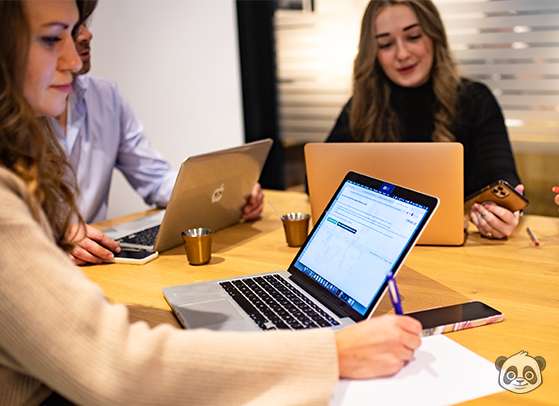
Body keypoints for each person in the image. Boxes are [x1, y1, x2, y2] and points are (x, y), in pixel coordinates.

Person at [0, 0, 423, 404]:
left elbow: (154, 177)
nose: (76, 58)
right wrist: (335, 352)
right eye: (54, 38)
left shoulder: (88, 105)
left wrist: (222, 194)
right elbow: (117, 367)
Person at [51, 16, 264, 265]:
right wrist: (55, 232)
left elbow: (154, 177)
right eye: (70, 28)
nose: (87, 35)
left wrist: (229, 190)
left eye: (84, 23)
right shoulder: (14, 114)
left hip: (97, 263)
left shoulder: (106, 96)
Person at [327, 0, 523, 240]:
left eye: (413, 36)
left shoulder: (475, 99)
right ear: (373, 54)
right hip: (377, 243)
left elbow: (501, 177)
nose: (402, 54)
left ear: (434, 36)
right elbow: (319, 180)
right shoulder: (360, 106)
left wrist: (501, 214)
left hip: (462, 248)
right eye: (386, 44)